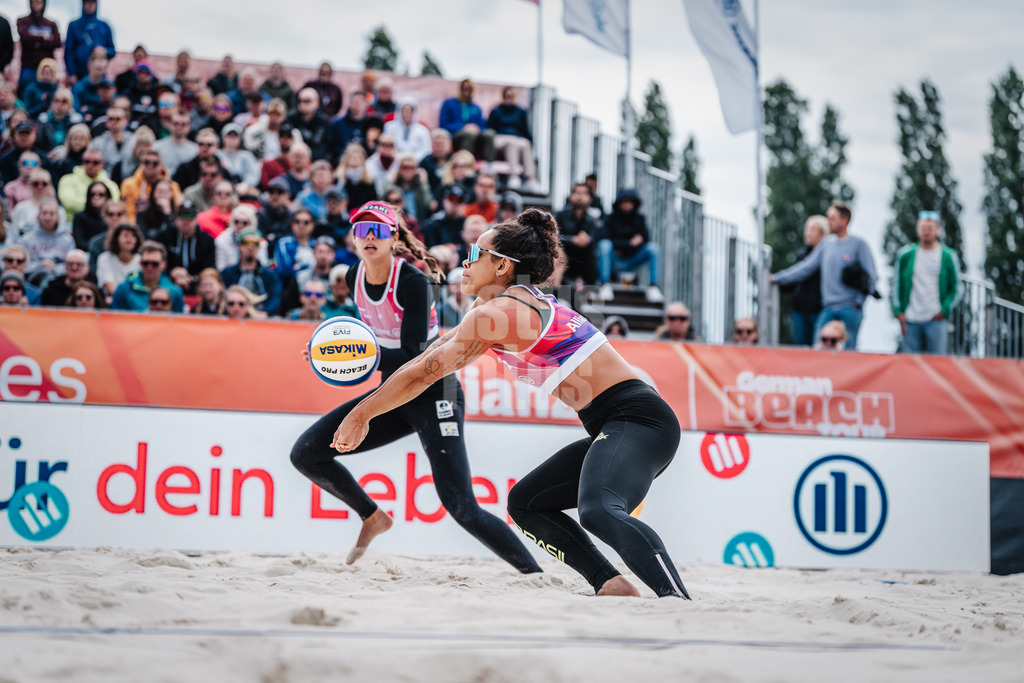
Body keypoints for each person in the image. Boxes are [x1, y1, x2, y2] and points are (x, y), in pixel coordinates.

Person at [331, 208, 689, 598]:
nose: (464, 263)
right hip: (616, 422)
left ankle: (677, 600)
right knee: (526, 504)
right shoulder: (493, 309)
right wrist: (363, 409)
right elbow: (424, 359)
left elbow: (424, 374)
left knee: (598, 512)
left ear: (502, 266)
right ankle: (611, 585)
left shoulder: (501, 314)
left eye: (473, 254)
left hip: (638, 420)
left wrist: (361, 413)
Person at [289, 200, 541, 572]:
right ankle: (372, 516)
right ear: (353, 238)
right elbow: (375, 350)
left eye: (378, 230)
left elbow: (413, 356)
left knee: (461, 506)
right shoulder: (352, 276)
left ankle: (532, 574)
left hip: (434, 391)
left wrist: (355, 355)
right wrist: (334, 356)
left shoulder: (412, 282)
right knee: (306, 454)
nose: (369, 236)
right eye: (362, 230)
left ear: (393, 237)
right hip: (395, 393)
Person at [771, 201, 877, 350]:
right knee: (819, 351)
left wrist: (858, 302)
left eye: (832, 218)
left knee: (848, 356)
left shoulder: (858, 244)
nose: (828, 222)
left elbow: (872, 276)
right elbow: (805, 267)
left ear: (844, 220)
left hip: (850, 309)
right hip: (827, 309)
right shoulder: (826, 244)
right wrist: (778, 278)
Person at [892, 210, 961, 355]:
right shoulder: (905, 255)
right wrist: (898, 311)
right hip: (911, 318)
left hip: (936, 319)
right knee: (910, 365)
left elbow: (957, 287)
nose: (926, 231)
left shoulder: (948, 256)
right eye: (923, 227)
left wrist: (945, 309)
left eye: (930, 228)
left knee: (936, 365)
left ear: (938, 230)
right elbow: (896, 284)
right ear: (918, 229)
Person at [597, 188, 663, 304]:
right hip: (615, 260)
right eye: (624, 201)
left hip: (632, 260)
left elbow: (645, 240)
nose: (627, 204)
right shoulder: (610, 218)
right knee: (604, 245)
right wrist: (629, 243)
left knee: (653, 248)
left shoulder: (640, 219)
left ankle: (653, 286)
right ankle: (604, 284)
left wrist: (623, 244)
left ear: (634, 203)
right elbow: (604, 238)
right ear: (619, 203)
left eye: (630, 201)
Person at [780, 215, 828, 346]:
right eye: (807, 229)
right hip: (799, 310)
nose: (807, 233)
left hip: (818, 310)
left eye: (812, 229)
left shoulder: (827, 257)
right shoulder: (801, 255)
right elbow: (795, 280)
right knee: (799, 348)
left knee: (818, 347)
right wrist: (779, 283)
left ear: (822, 233)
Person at [486, 86, 539, 193]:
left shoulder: (521, 112)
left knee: (526, 144)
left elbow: (526, 131)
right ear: (503, 97)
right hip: (500, 138)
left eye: (510, 96)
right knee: (512, 143)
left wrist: (531, 142)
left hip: (517, 138)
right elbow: (490, 129)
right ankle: (514, 176)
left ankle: (531, 179)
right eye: (506, 96)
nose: (508, 98)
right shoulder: (496, 111)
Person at [158, 200, 215, 295]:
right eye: (183, 216)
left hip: (198, 283)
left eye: (191, 216)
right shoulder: (165, 237)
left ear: (196, 219)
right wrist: (172, 273)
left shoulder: (207, 240)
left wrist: (192, 278)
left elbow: (209, 267)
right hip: (170, 281)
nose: (186, 220)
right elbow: (159, 262)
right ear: (176, 219)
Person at [110, 239, 184, 312]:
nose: (149, 267)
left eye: (155, 264)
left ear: (163, 265)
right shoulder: (123, 289)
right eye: (145, 263)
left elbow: (178, 321)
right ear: (140, 263)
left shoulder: (175, 292)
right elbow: (115, 320)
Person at [17, 197, 73, 285]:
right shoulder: (26, 239)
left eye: (51, 214)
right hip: (32, 280)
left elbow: (72, 265)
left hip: (60, 280)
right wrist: (41, 265)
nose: (47, 217)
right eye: (44, 213)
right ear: (38, 216)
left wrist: (54, 267)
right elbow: (20, 265)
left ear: (58, 217)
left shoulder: (67, 240)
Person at [438, 79, 494, 165]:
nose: (466, 91)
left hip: (476, 138)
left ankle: (489, 167)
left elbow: (483, 125)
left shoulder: (476, 107)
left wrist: (477, 128)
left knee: (490, 133)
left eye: (469, 89)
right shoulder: (449, 103)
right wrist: (463, 127)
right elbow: (443, 124)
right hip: (456, 136)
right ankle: (464, 165)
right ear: (460, 89)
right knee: (470, 133)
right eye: (464, 88)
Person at [555, 182, 600, 286]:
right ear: (571, 196)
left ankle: (591, 285)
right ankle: (558, 287)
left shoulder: (592, 219)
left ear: (590, 198)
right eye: (577, 192)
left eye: (584, 193)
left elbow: (596, 237)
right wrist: (573, 240)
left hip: (584, 257)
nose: (580, 196)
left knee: (595, 249)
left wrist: (587, 239)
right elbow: (554, 236)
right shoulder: (561, 215)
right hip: (566, 254)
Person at [121, 148, 182, 223]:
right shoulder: (128, 185)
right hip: (138, 227)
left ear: (161, 165)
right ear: (141, 163)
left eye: (155, 163)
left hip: (165, 226)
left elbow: (177, 211)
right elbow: (128, 213)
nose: (150, 166)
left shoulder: (172, 186)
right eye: (147, 162)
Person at [16, 0, 62, 98]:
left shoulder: (51, 23)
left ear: (44, 4)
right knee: (25, 94)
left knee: (51, 97)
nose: (36, 5)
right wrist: (44, 38)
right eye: (34, 2)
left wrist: (34, 42)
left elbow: (57, 43)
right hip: (29, 67)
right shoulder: (23, 21)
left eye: (39, 2)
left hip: (47, 68)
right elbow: (24, 38)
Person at [57, 147, 119, 219]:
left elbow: (113, 204)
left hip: (103, 223)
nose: (90, 165)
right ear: (82, 163)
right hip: (72, 223)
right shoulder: (67, 180)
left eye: (95, 162)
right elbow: (69, 203)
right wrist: (97, 205)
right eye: (87, 161)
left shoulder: (111, 185)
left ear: (102, 164)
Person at [95, 221, 141, 298]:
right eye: (126, 235)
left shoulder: (142, 260)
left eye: (133, 236)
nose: (130, 239)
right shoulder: (105, 258)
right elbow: (110, 288)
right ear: (116, 238)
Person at [91, 106, 134, 183]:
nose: (113, 122)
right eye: (110, 119)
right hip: (105, 182)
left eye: (117, 119)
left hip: (129, 182)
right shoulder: (97, 143)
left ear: (126, 121)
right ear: (106, 122)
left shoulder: (134, 141)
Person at [288, 87, 331, 162]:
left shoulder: (323, 120)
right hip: (294, 158)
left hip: (316, 159)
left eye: (307, 101)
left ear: (317, 103)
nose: (302, 103)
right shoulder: (291, 118)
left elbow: (323, 146)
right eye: (300, 100)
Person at [382, 97, 431, 162]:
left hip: (417, 162)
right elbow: (386, 146)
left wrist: (412, 159)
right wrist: (398, 157)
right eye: (404, 111)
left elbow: (426, 150)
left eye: (409, 111)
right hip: (393, 161)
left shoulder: (422, 130)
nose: (406, 114)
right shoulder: (389, 127)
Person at [152, 108, 198, 176]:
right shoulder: (156, 147)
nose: (179, 127)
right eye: (176, 123)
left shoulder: (195, 150)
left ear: (189, 127)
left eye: (183, 124)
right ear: (169, 124)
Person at [71, 180, 111, 249]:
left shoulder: (113, 215)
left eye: (101, 194)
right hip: (86, 253)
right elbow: (80, 243)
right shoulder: (80, 217)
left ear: (107, 197)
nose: (96, 197)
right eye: (92, 194)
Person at [328, 89, 368, 159]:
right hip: (342, 159)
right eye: (355, 102)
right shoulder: (337, 124)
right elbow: (331, 147)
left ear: (366, 104)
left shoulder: (371, 123)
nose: (357, 105)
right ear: (349, 103)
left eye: (360, 102)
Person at [336, 143, 377, 210]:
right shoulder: (340, 179)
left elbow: (373, 202)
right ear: (346, 159)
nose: (355, 160)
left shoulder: (369, 181)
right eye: (352, 157)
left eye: (359, 157)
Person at [219, 123, 259, 187]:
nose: (232, 139)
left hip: (242, 188)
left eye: (235, 136)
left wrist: (245, 185)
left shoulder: (247, 155)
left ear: (240, 139)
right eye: (229, 136)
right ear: (223, 137)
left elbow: (253, 174)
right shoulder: (217, 154)